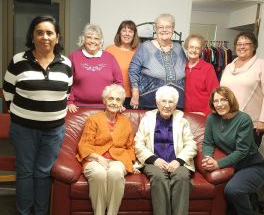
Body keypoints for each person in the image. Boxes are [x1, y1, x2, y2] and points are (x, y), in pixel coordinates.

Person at [2, 15, 73, 215]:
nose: (45, 37)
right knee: (25, 172)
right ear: (32, 37)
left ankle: (41, 212)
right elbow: (8, 92)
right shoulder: (18, 61)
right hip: (23, 129)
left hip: (53, 131)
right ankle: (24, 212)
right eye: (39, 32)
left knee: (43, 173)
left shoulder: (66, 64)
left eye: (50, 33)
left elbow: (66, 92)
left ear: (57, 37)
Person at [202, 86, 264, 215]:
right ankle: (254, 199)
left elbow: (242, 151)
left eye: (223, 100)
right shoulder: (212, 118)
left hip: (251, 165)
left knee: (233, 190)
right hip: (232, 165)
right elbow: (208, 143)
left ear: (230, 100)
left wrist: (217, 164)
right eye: (216, 101)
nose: (219, 104)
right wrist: (208, 157)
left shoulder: (243, 119)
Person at [76, 84, 140, 215]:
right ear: (104, 101)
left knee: (116, 173)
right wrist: (99, 158)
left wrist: (130, 163)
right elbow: (84, 145)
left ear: (122, 103)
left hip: (118, 159)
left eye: (118, 100)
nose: (114, 102)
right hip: (94, 159)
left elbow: (130, 146)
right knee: (98, 174)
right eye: (110, 99)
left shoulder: (125, 121)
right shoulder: (93, 120)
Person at [134, 85, 197, 215]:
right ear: (157, 103)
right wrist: (155, 160)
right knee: (159, 177)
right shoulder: (147, 120)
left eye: (171, 102)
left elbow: (191, 144)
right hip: (154, 162)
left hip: (176, 162)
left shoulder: (182, 121)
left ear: (176, 105)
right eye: (163, 101)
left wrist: (178, 161)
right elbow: (138, 144)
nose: (167, 105)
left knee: (182, 176)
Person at [220, 31, 264, 146]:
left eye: (246, 43)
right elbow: (221, 93)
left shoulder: (261, 65)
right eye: (239, 44)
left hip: (250, 123)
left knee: (246, 160)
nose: (242, 47)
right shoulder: (229, 67)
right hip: (227, 121)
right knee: (226, 158)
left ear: (253, 46)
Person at [128, 14, 186, 110]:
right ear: (156, 29)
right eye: (160, 27)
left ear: (173, 28)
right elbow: (133, 70)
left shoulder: (178, 48)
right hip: (150, 102)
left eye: (167, 26)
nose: (164, 30)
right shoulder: (146, 47)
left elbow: (187, 69)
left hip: (175, 103)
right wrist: (135, 93)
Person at [67, 24, 123, 113]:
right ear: (83, 39)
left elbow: (119, 82)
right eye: (89, 37)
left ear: (101, 41)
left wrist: (118, 102)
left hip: (106, 107)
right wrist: (69, 102)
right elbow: (68, 82)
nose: (92, 41)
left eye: (96, 38)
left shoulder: (110, 58)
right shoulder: (73, 57)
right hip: (78, 107)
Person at [106, 20, 140, 109]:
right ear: (119, 33)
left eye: (130, 31)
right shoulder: (109, 50)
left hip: (133, 97)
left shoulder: (140, 51)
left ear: (134, 35)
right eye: (124, 30)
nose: (127, 34)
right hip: (114, 96)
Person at [183, 34, 219, 116]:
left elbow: (215, 94)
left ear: (201, 50)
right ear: (186, 48)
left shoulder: (208, 68)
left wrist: (206, 112)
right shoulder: (182, 67)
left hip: (203, 115)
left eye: (197, 48)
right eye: (191, 47)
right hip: (184, 114)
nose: (194, 50)